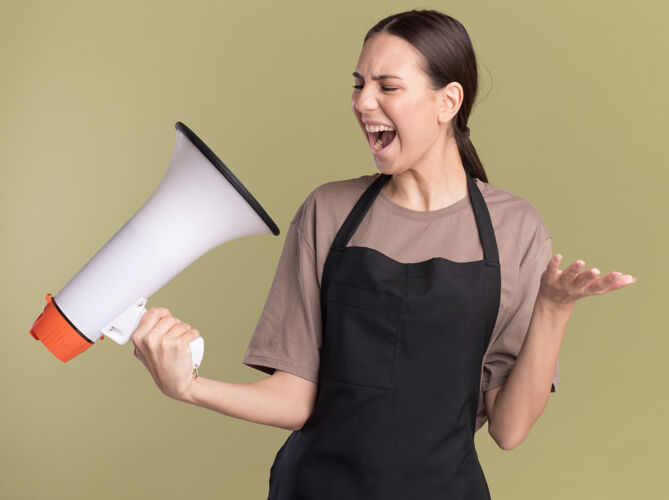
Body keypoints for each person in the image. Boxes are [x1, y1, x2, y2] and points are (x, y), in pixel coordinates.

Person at [131, 9, 636, 499]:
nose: (362, 102)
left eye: (387, 87)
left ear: (448, 101)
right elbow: (295, 397)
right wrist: (189, 388)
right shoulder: (327, 211)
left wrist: (553, 308)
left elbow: (509, 428)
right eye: (359, 83)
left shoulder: (515, 229)